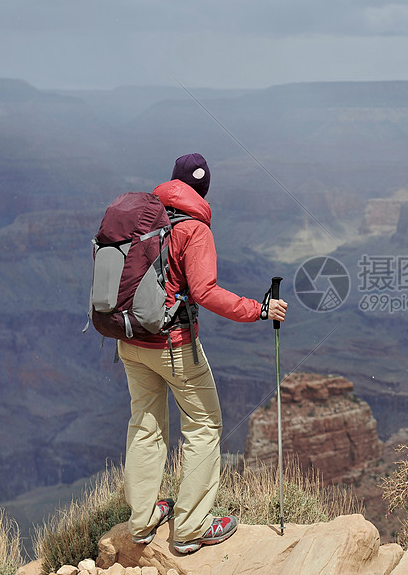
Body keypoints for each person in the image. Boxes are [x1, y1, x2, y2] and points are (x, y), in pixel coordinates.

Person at [118, 153, 287, 554]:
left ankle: (142, 522)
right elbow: (205, 292)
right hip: (173, 347)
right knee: (205, 425)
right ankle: (192, 527)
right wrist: (259, 310)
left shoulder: (142, 219)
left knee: (144, 424)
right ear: (204, 190)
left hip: (128, 340)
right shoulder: (194, 229)